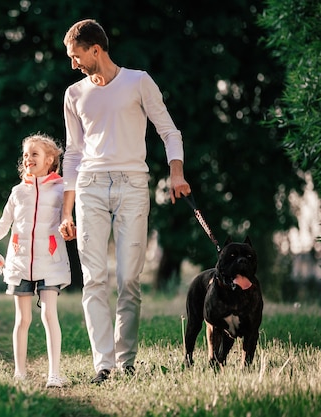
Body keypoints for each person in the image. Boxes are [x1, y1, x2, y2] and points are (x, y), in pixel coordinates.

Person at [59, 19, 191, 384]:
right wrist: (65, 210)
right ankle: (104, 364)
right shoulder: (74, 94)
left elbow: (169, 130)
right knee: (94, 279)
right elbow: (72, 153)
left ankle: (126, 360)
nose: (73, 64)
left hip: (133, 185)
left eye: (76, 56)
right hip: (90, 186)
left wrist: (176, 173)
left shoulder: (138, 81)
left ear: (95, 49)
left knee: (129, 279)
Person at [0, 133, 71, 388]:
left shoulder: (62, 189)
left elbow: (68, 218)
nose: (28, 159)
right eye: (25, 155)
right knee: (22, 320)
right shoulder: (18, 192)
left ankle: (54, 374)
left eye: (34, 154)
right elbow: (3, 226)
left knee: (49, 316)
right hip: (20, 263)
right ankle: (20, 373)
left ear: (50, 159)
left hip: (50, 262)